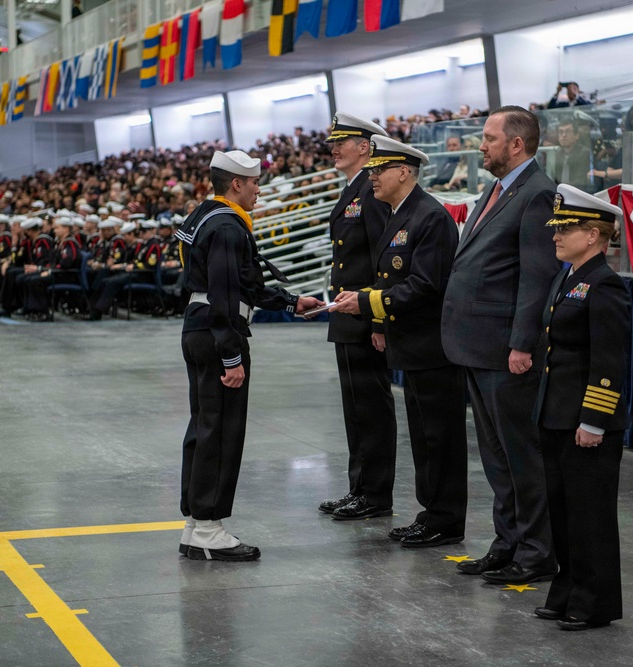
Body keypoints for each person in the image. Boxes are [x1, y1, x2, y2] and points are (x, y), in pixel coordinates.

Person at [176, 150, 323, 561]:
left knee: (205, 426)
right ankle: (208, 526)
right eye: (255, 182)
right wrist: (231, 357)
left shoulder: (207, 217)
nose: (259, 189)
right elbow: (225, 293)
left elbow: (242, 284)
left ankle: (196, 522)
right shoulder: (227, 227)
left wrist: (292, 302)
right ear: (236, 184)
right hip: (218, 331)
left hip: (200, 327)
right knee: (221, 431)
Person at [441, 105, 559, 584]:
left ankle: (536, 552)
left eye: (489, 138)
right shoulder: (496, 189)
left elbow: (537, 277)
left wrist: (522, 344)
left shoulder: (537, 193)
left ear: (516, 144)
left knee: (520, 456)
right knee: (495, 456)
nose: (481, 145)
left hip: (507, 351)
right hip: (477, 346)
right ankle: (507, 542)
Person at [331, 136, 468, 549]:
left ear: (403, 172)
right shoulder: (400, 214)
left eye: (379, 170)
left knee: (439, 438)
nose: (372, 177)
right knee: (425, 437)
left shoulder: (429, 217)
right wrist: (376, 315)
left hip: (432, 346)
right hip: (411, 345)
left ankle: (444, 519)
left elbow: (425, 285)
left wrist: (369, 302)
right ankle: (432, 514)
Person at [531, 184, 630, 631]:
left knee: (590, 516)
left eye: (565, 229)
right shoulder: (568, 276)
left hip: (585, 421)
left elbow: (609, 360)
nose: (556, 236)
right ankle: (567, 589)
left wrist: (594, 420)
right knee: (564, 512)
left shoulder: (605, 285)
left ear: (593, 235)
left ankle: (594, 601)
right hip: (557, 414)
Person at [316, 113, 398, 522]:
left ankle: (375, 494)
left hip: (366, 315)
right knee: (355, 409)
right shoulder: (355, 188)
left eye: (341, 142)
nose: (333, 149)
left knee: (371, 408)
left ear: (365, 147)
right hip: (347, 314)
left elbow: (384, 258)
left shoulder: (372, 189)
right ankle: (359, 487)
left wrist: (380, 319)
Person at [550, 119, 594, 191]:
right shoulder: (557, 154)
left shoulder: (584, 153)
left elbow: (580, 181)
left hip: (577, 194)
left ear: (576, 135)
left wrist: (560, 189)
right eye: (561, 132)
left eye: (568, 131)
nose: (564, 135)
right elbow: (553, 178)